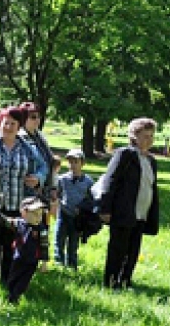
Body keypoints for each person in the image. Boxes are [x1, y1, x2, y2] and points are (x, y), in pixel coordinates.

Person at [0, 107, 47, 283]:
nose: (8, 127)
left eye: (13, 124)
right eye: (6, 122)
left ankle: (7, 279)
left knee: (11, 246)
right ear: (0, 123)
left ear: (19, 126)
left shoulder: (28, 148)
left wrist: (38, 178)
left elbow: (43, 166)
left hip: (17, 205)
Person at [99, 117, 160, 290]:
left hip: (142, 212)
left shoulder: (151, 160)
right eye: (145, 136)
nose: (149, 140)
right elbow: (110, 180)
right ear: (134, 136)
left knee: (133, 249)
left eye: (151, 136)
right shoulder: (125, 154)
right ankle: (111, 281)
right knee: (118, 248)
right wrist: (105, 207)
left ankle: (126, 279)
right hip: (124, 210)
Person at [0, 197, 49, 304]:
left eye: (40, 215)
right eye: (35, 214)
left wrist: (44, 263)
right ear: (24, 213)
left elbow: (44, 246)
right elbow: (5, 221)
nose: (38, 218)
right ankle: (10, 291)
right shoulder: (19, 223)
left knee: (24, 281)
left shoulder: (42, 229)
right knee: (13, 277)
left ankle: (15, 296)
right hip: (18, 258)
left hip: (32, 261)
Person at [55, 149, 94, 270]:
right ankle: (59, 263)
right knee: (59, 239)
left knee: (73, 242)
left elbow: (91, 199)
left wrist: (83, 209)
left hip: (77, 217)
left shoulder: (88, 181)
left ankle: (72, 264)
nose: (72, 165)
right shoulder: (62, 179)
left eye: (76, 162)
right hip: (63, 213)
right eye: (70, 162)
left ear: (82, 163)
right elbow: (58, 193)